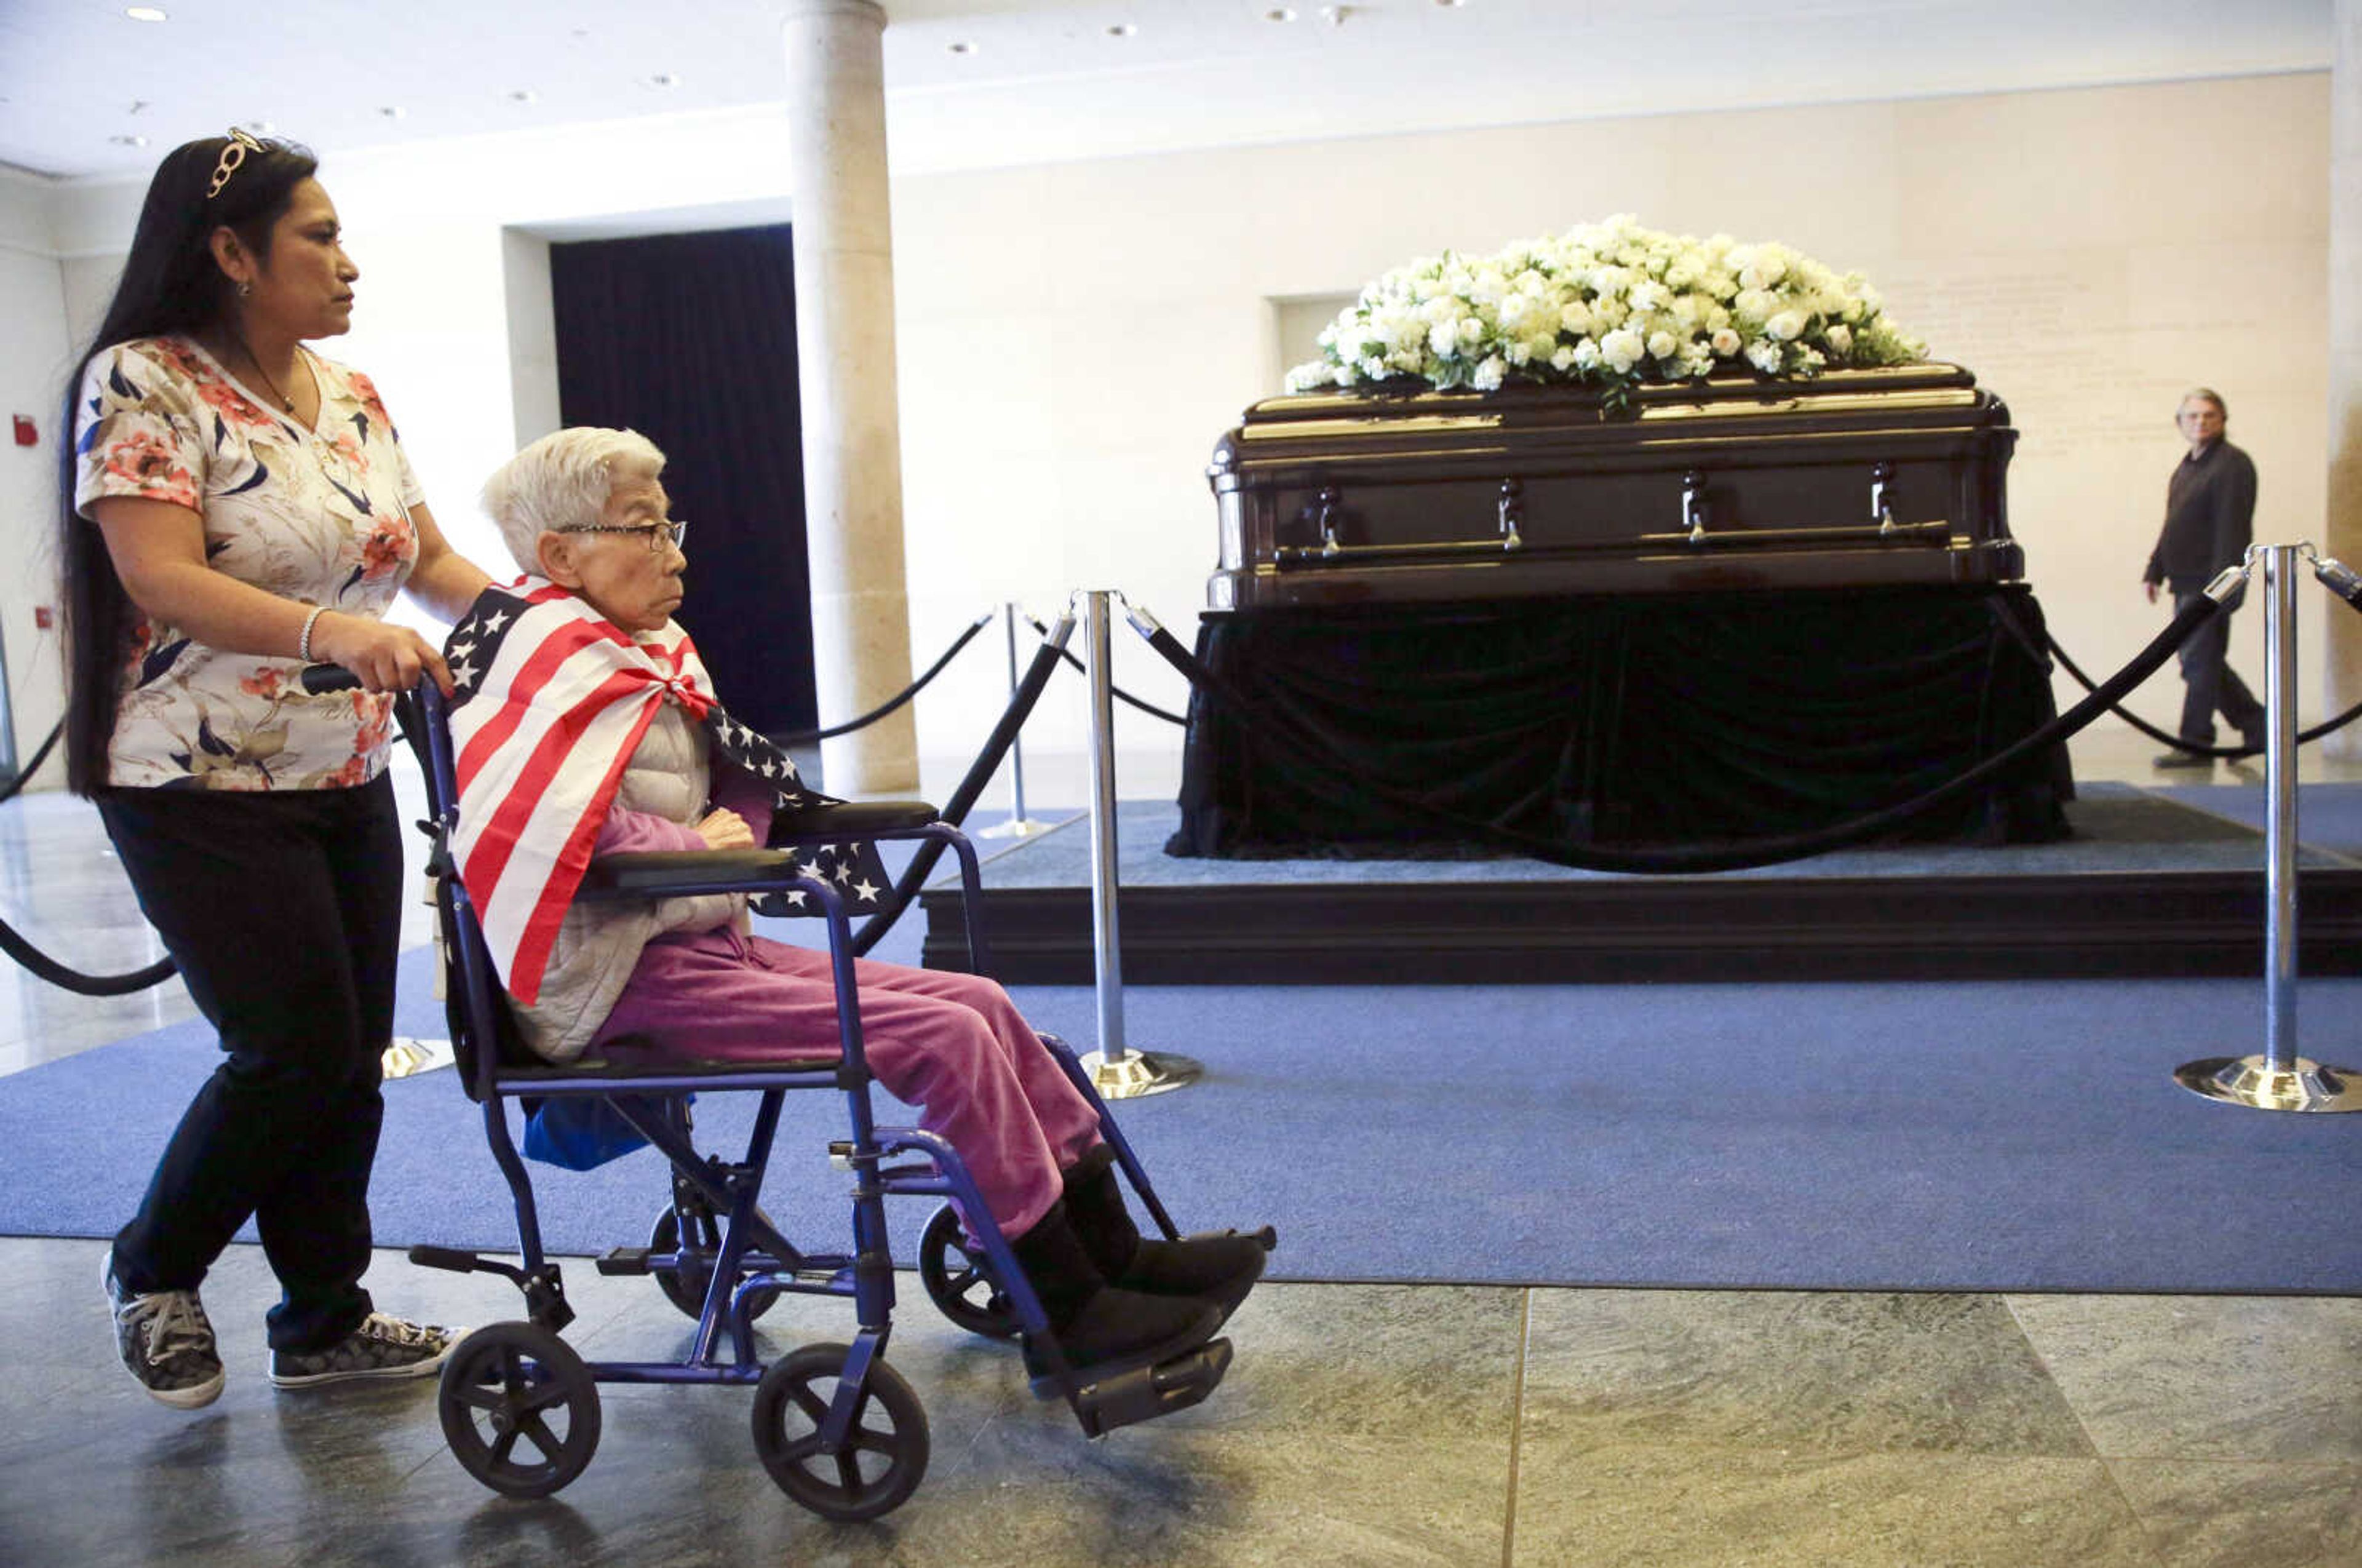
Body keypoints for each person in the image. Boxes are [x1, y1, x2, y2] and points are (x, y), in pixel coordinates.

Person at [456, 427, 1265, 1389]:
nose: (674, 553)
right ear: (559, 555)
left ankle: (1112, 1255)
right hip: (619, 981)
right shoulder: (542, 655)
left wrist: (757, 833)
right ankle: (1067, 1310)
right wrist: (704, 848)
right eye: (644, 529)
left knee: (981, 1005)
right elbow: (530, 830)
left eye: (672, 526)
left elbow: (709, 794)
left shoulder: (636, 646)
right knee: (946, 1042)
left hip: (701, 943)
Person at [62, 130, 496, 1409]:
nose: (347, 262)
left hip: (344, 765)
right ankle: (151, 1267)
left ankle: (322, 1317)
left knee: (351, 1052)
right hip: (191, 775)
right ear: (232, 251)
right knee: (288, 1049)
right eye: (317, 235)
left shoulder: (352, 393)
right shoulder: (145, 379)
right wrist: (333, 631)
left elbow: (425, 559)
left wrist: (552, 622)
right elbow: (159, 573)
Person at [2142, 387, 2265, 768]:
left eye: (2209, 415)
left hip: (2209, 584)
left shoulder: (2233, 464)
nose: (2201, 422)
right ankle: (2259, 726)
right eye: (2192, 416)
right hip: (2185, 580)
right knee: (2202, 661)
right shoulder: (2188, 467)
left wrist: (2224, 588)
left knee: (2199, 662)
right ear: (2180, 423)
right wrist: (2155, 569)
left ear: (2223, 420)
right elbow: (2174, 524)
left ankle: (2196, 742)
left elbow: (2233, 530)